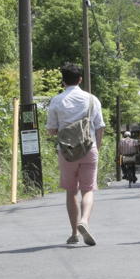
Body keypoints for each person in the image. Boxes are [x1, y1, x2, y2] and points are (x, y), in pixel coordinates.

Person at [46, 63, 105, 246]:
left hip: (67, 151)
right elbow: (100, 126)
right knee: (88, 189)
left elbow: (52, 130)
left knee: (71, 191)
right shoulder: (91, 99)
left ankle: (74, 233)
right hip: (89, 148)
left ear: (63, 81)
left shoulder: (57, 100)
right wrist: (98, 146)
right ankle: (84, 221)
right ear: (80, 79)